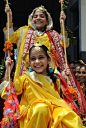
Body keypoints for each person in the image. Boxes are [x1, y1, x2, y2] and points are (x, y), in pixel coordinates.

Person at [0, 43, 85, 128]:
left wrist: (64, 79)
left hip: (54, 113)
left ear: (48, 60)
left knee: (71, 118)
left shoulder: (55, 79)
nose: (37, 62)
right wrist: (8, 71)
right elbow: (6, 93)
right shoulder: (25, 78)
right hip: (33, 115)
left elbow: (61, 100)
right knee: (42, 108)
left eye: (41, 58)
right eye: (33, 59)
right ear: (29, 62)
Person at [4, 4, 69, 81]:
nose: (38, 18)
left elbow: (65, 44)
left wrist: (62, 25)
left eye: (42, 16)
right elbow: (10, 37)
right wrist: (10, 18)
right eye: (35, 17)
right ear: (31, 20)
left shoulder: (53, 34)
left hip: (50, 73)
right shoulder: (24, 31)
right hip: (29, 73)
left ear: (47, 21)